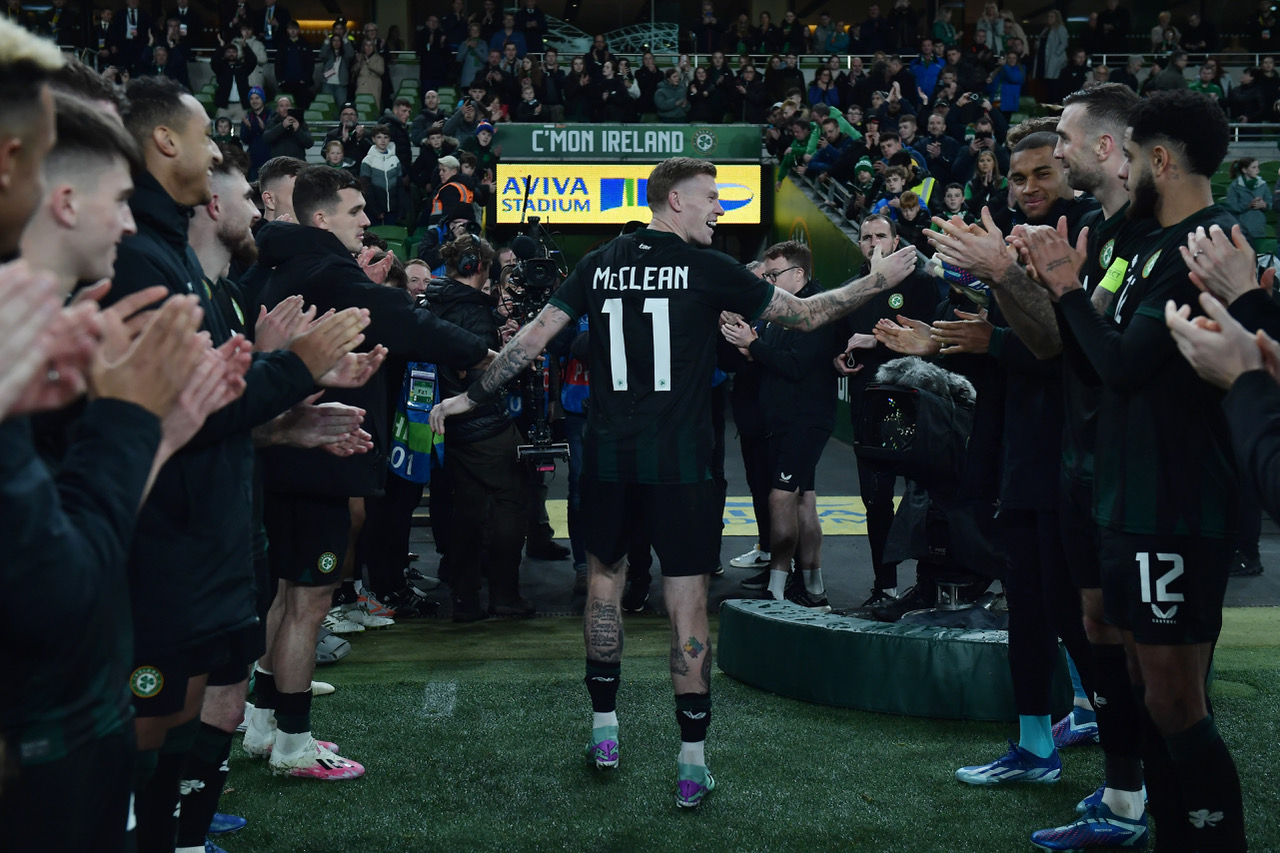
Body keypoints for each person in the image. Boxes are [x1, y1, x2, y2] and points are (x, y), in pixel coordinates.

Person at [430, 157, 920, 808]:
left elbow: (531, 341)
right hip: (682, 465)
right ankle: (691, 763)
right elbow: (803, 315)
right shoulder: (707, 268)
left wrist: (469, 397)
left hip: (609, 459)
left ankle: (605, 729)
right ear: (675, 201)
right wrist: (876, 280)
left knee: (604, 586)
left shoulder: (598, 263)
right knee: (686, 603)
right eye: (711, 196)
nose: (721, 207)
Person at [103, 75, 358, 851]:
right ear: (164, 141)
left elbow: (205, 410)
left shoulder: (177, 261)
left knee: (184, 719)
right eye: (205, 135)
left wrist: (283, 427)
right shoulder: (141, 259)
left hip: (205, 535)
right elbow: (186, 408)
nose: (215, 150)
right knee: (141, 739)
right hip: (163, 545)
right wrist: (297, 368)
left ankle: (181, 839)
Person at [1016, 89, 1248, 852]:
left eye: (1132, 158)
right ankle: (1156, 827)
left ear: (1160, 160)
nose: (1119, 169)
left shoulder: (1203, 248)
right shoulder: (1147, 240)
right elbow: (1094, 357)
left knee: (1177, 698)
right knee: (1151, 691)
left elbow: (1119, 365)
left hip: (1174, 503)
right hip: (1126, 495)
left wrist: (1065, 288)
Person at [721, 242, 842, 610]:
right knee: (803, 502)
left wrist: (753, 345)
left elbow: (794, 365)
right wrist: (749, 344)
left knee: (781, 499)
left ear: (798, 273)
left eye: (774, 275)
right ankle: (813, 589)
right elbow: (771, 357)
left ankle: (778, 589)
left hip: (804, 419)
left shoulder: (816, 308)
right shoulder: (782, 309)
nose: (769, 281)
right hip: (785, 418)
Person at [422, 235, 534, 621]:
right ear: (479, 267)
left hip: (451, 429)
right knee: (511, 503)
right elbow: (478, 376)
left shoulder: (436, 300)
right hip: (482, 426)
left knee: (467, 513)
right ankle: (504, 595)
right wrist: (512, 362)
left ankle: (465, 599)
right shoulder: (471, 310)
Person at [1224, 157, 1271, 249]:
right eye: (1253, 167)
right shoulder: (1235, 186)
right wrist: (1248, 205)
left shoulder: (1263, 184)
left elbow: (1269, 202)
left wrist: (1264, 205)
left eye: (1257, 167)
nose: (1257, 170)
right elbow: (1231, 206)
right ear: (1244, 170)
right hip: (1242, 227)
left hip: (1258, 228)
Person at [274, 20, 315, 110]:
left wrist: (305, 79)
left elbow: (310, 63)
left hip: (301, 82)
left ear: (298, 30)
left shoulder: (305, 44)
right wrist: (281, 80)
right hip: (287, 81)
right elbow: (278, 63)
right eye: (290, 28)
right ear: (287, 30)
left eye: (295, 29)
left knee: (301, 106)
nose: (293, 31)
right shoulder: (283, 45)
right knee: (286, 106)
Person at [264, 95, 314, 160]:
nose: (285, 108)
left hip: (297, 163)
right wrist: (282, 126)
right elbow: (266, 139)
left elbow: (309, 144)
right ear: (277, 109)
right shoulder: (272, 123)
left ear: (292, 108)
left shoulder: (301, 123)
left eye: (287, 106)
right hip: (278, 164)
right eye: (281, 106)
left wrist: (297, 130)